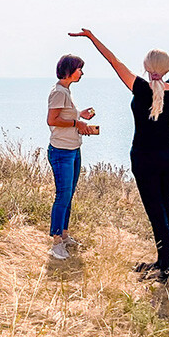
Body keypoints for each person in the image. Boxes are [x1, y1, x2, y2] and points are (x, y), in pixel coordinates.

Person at [69, 18, 169, 285]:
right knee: (165, 208)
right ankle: (166, 262)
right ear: (164, 68)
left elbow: (114, 62)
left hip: (144, 157)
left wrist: (92, 37)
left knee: (156, 212)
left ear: (146, 67)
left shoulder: (139, 87)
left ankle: (166, 269)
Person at [46, 54, 97, 261]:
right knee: (63, 195)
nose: (82, 73)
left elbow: (64, 115)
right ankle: (56, 242)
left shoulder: (66, 91)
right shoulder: (58, 92)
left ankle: (64, 235)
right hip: (62, 151)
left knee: (69, 194)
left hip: (73, 149)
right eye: (79, 69)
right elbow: (52, 119)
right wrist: (78, 124)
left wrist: (79, 115)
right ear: (69, 70)